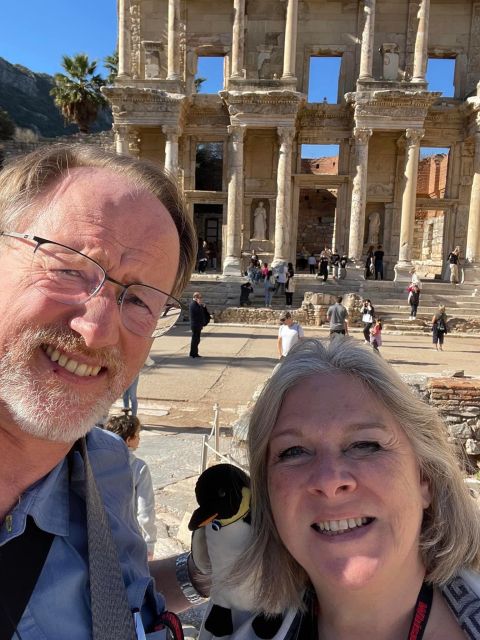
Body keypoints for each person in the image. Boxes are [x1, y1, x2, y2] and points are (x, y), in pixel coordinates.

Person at [0, 144, 209, 639]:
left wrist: (203, 574)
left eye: (138, 299)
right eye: (71, 268)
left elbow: (114, 595)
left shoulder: (109, 468)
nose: (97, 330)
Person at [240, 338, 480, 639]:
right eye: (294, 451)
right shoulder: (230, 627)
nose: (329, 481)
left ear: (426, 478)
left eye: (365, 445)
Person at [105, 413, 157, 560]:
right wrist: (149, 543)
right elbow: (145, 510)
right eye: (137, 435)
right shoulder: (138, 467)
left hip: (99, 534)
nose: (139, 439)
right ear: (128, 440)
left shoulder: (96, 462)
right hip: (128, 537)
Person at [189, 291, 210, 358]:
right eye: (199, 297)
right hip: (195, 325)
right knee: (195, 340)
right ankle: (193, 353)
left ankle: (195, 353)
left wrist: (203, 307)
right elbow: (198, 312)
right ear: (195, 297)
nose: (201, 299)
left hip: (198, 325)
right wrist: (200, 305)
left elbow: (202, 312)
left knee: (197, 339)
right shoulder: (193, 304)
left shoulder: (197, 305)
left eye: (201, 297)